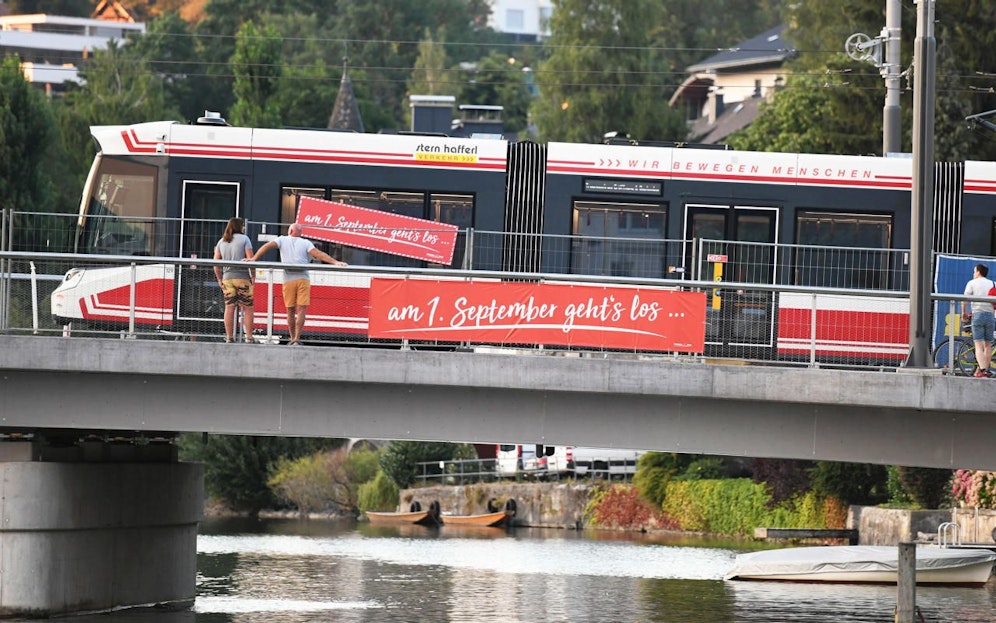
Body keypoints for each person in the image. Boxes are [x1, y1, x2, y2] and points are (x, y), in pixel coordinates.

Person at [249, 222, 346, 345]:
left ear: (290, 231)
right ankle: (297, 339)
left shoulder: (282, 240)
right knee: (301, 309)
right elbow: (318, 254)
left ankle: (292, 337)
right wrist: (335, 262)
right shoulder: (305, 243)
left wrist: (254, 258)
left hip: (288, 280)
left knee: (290, 310)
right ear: (301, 233)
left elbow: (267, 246)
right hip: (303, 279)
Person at [214, 217, 255, 343]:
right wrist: (253, 276)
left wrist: (220, 279)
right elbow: (250, 259)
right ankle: (248, 337)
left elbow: (215, 264)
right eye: (243, 226)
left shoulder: (222, 241)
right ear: (239, 226)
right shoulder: (245, 239)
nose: (244, 228)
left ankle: (229, 337)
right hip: (242, 278)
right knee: (248, 308)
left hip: (227, 279)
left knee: (229, 307)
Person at [961, 263, 995, 377]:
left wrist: (963, 313)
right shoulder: (992, 283)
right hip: (990, 315)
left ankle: (982, 369)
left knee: (978, 345)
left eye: (974, 271)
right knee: (988, 345)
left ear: (978, 272)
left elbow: (964, 299)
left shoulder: (972, 283)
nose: (973, 273)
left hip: (978, 315)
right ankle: (985, 371)